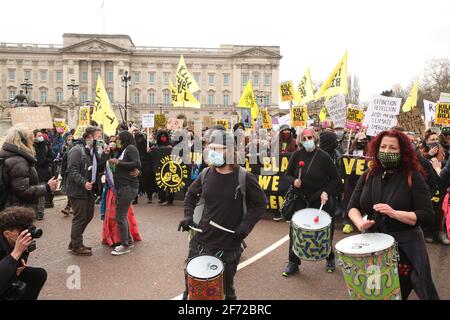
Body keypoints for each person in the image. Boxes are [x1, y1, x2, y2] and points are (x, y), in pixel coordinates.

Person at [347, 129, 439, 300]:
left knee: (396, 292)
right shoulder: (368, 175)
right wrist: (360, 223)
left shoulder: (414, 177)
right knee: (375, 293)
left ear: (402, 152)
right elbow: (352, 207)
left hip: (405, 249)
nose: (387, 152)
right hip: (373, 247)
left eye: (393, 148)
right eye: (383, 147)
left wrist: (395, 214)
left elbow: (427, 215)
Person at [179, 130, 267, 300]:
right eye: (211, 148)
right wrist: (187, 216)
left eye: (218, 149)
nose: (213, 153)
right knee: (191, 286)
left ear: (231, 150)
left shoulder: (244, 177)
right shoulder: (206, 174)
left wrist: (246, 225)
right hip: (200, 240)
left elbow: (260, 203)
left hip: (228, 244)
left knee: (225, 290)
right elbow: (190, 194)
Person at [283, 128, 340, 276]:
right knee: (294, 231)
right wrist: (293, 181)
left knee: (325, 231)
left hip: (319, 199)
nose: (308, 140)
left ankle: (330, 258)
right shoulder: (296, 155)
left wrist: (326, 191)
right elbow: (287, 175)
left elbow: (335, 179)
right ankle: (293, 262)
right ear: (301, 140)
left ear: (315, 138)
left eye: (310, 137)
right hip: (300, 199)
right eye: (305, 138)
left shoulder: (324, 157)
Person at [64, 126, 108, 256]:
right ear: (89, 137)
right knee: (80, 217)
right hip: (78, 190)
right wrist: (83, 183)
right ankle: (76, 245)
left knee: (88, 215)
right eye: (98, 137)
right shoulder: (77, 150)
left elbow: (98, 166)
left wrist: (105, 154)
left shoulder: (92, 151)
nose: (100, 140)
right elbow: (72, 170)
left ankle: (75, 240)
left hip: (89, 189)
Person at [0, 127, 58, 215]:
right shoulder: (18, 161)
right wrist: (47, 187)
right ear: (23, 141)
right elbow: (23, 191)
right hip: (17, 211)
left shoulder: (6, 154)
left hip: (9, 208)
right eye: (30, 140)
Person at [0, 207, 47, 300]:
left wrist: (21, 256)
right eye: (22, 232)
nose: (26, 235)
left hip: (6, 270)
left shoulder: (13, 240)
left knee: (38, 275)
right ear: (7, 234)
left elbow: (19, 263)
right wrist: (16, 252)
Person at [108, 131, 141, 256]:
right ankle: (128, 240)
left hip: (127, 187)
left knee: (120, 216)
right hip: (124, 186)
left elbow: (137, 164)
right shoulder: (124, 150)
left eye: (119, 139)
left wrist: (119, 163)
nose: (117, 141)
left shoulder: (131, 148)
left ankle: (125, 245)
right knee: (123, 215)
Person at [342, 132, 369, 234]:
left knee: (363, 201)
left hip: (364, 181)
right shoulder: (349, 152)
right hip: (350, 181)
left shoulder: (369, 153)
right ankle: (348, 222)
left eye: (364, 140)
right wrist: (345, 157)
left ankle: (362, 222)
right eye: (361, 139)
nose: (363, 142)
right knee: (349, 200)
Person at [33, 130, 55, 220]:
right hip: (33, 172)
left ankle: (40, 212)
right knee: (33, 192)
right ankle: (34, 211)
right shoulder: (31, 146)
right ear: (34, 137)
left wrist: (45, 160)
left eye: (41, 135)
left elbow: (51, 157)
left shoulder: (45, 145)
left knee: (41, 193)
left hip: (42, 172)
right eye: (38, 135)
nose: (40, 137)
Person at [151, 129, 174, 205]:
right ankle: (162, 198)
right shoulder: (156, 146)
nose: (163, 138)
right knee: (160, 184)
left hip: (169, 167)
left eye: (164, 136)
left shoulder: (171, 145)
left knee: (170, 184)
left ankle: (170, 199)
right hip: (160, 167)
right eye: (161, 136)